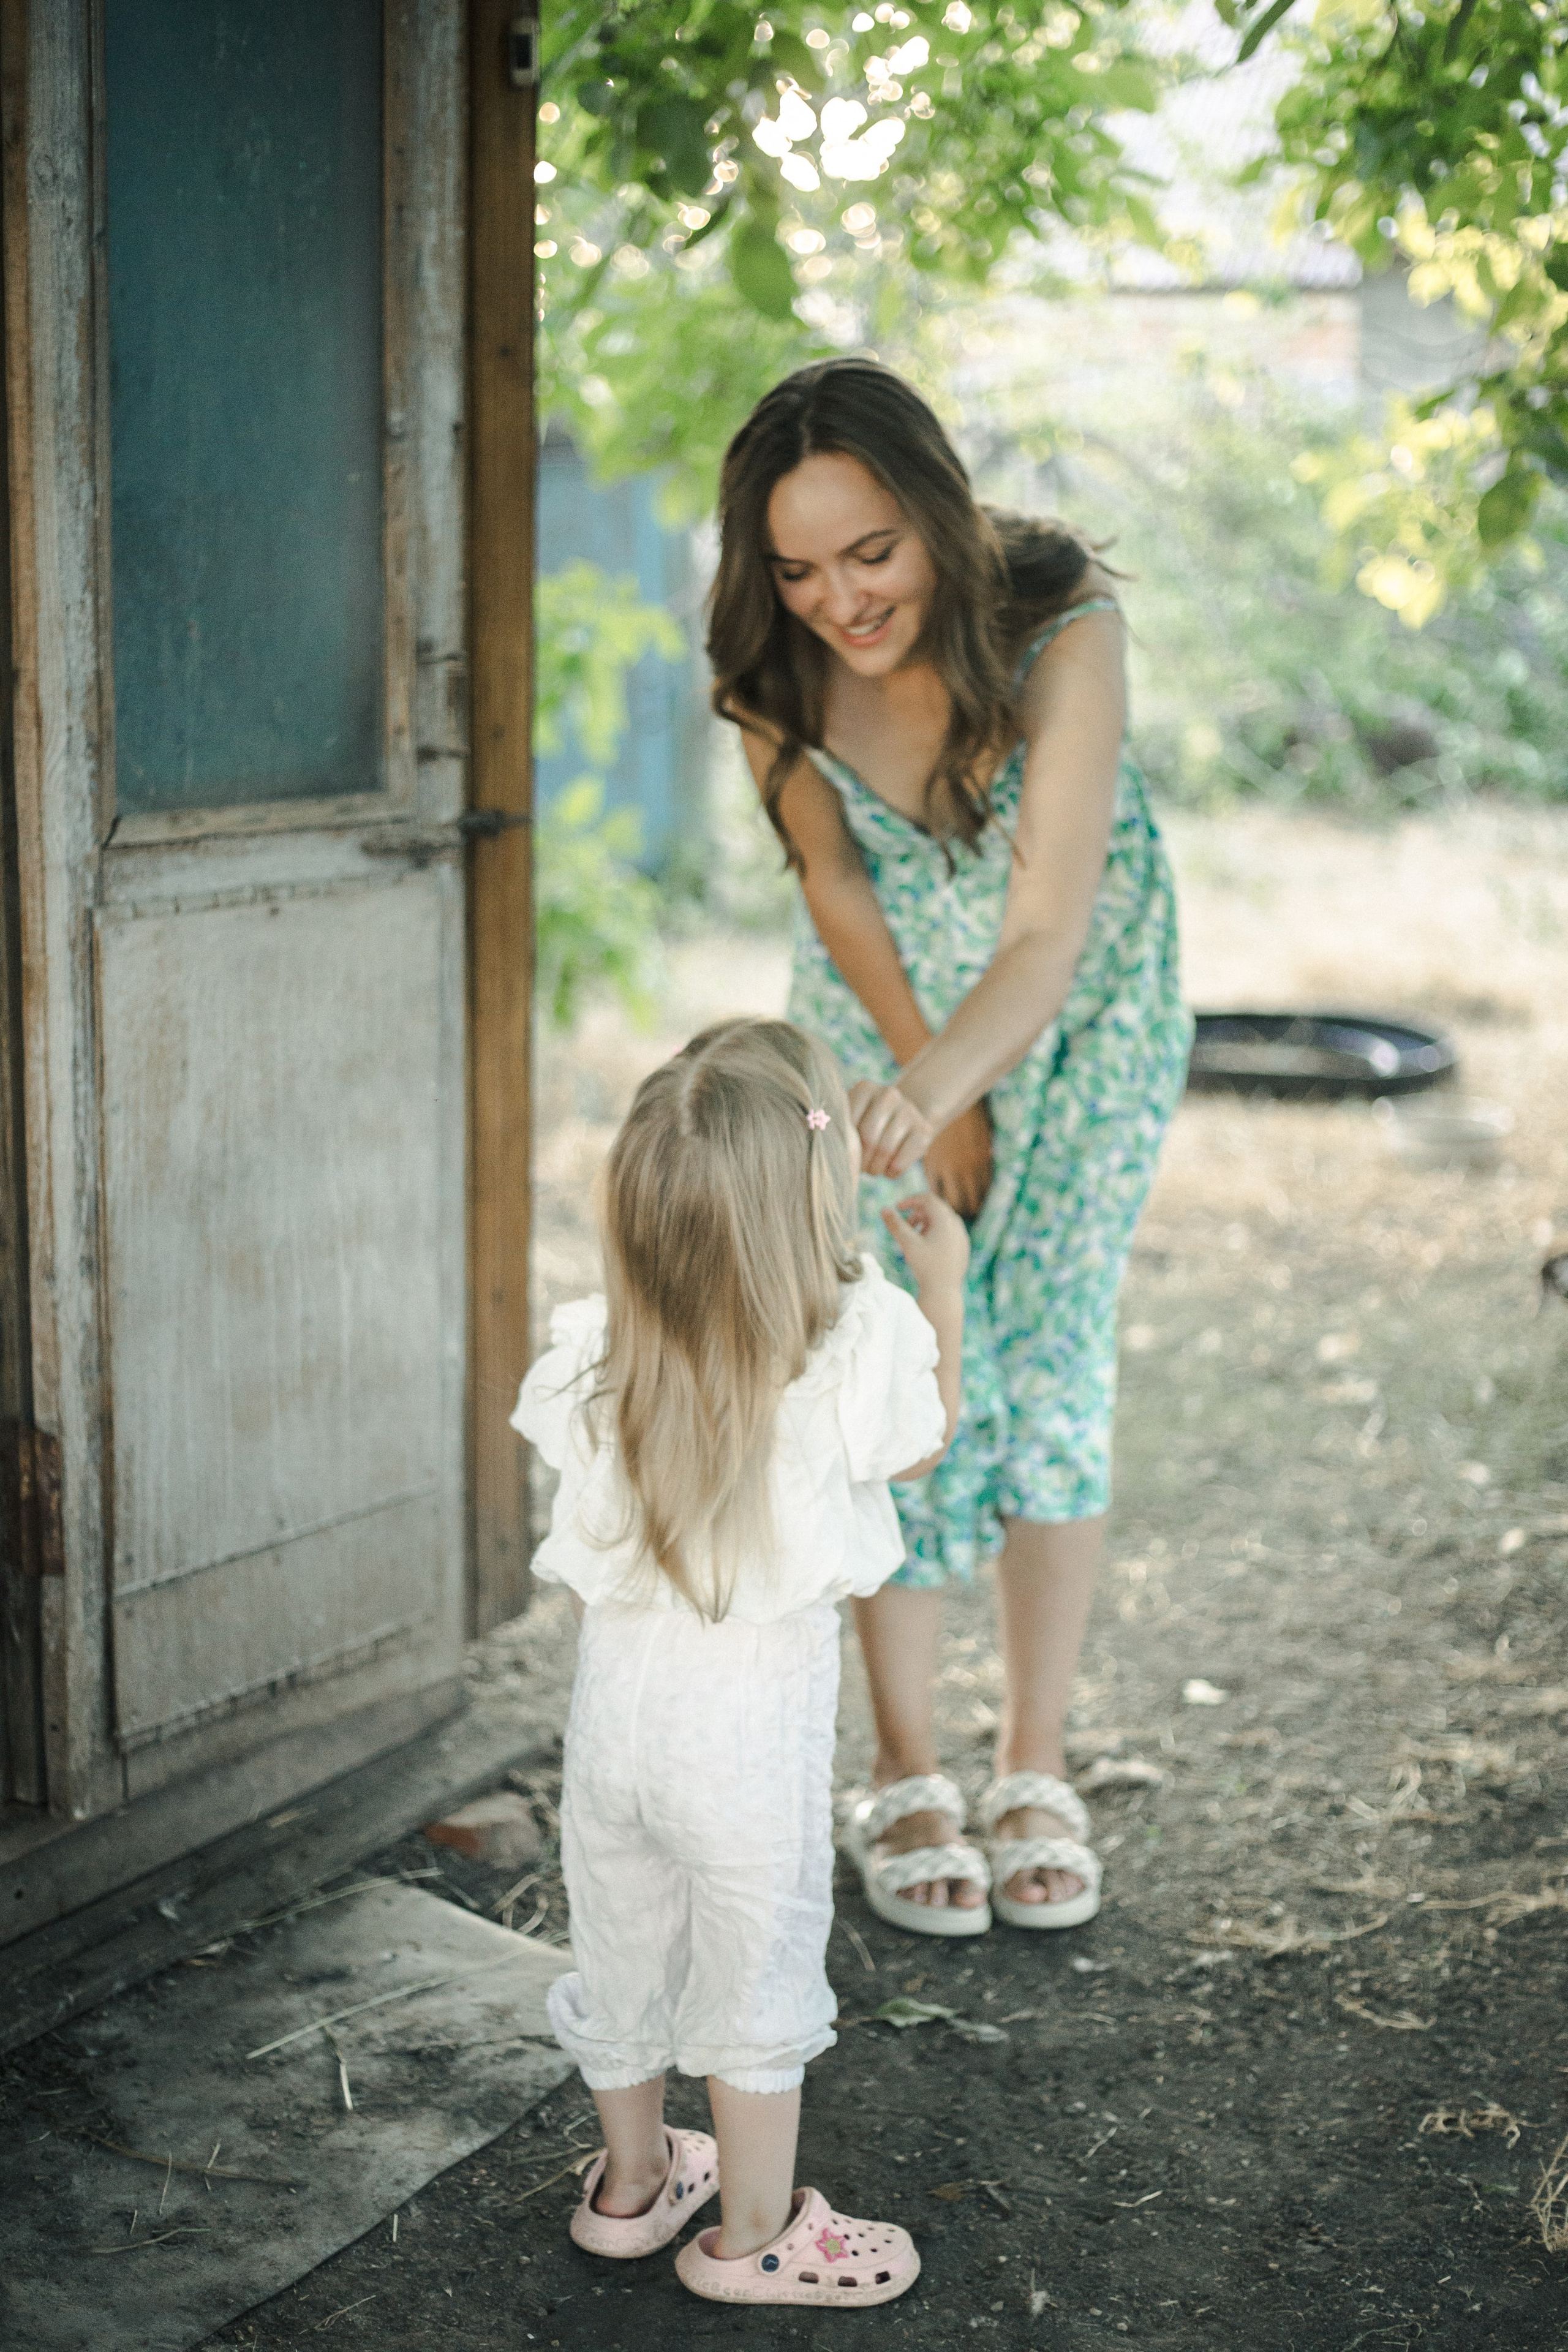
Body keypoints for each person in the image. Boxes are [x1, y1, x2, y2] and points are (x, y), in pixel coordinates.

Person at [707, 360, 1191, 1937]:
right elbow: (840, 894)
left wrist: (963, 1076)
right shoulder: (771, 678)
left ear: (932, 514)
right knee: (886, 1373)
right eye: (794, 566)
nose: (837, 598)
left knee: (1047, 1364)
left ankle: (1033, 1757)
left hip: (1081, 1023)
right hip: (886, 1033)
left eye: (870, 553)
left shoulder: (1062, 630)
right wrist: (929, 1091)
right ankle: (906, 1767)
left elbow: (1046, 931)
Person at [511, 1017, 968, 2308]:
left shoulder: (607, 1351)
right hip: (743, 1757)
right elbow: (921, 1444)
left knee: (623, 1951)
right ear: (809, 1199)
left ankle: (631, 2184)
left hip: (612, 1747)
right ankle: (755, 2236)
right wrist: (944, 1286)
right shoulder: (845, 1344)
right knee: (753, 1970)